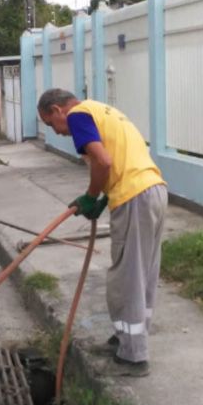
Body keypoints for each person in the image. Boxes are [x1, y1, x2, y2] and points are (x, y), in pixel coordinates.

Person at [37, 89, 168, 377]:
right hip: (154, 189)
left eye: (51, 125)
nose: (57, 133)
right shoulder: (104, 110)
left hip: (135, 197)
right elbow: (120, 160)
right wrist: (104, 198)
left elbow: (104, 161)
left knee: (127, 276)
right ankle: (128, 337)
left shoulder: (77, 116)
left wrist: (91, 196)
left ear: (59, 110)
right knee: (143, 272)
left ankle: (134, 357)